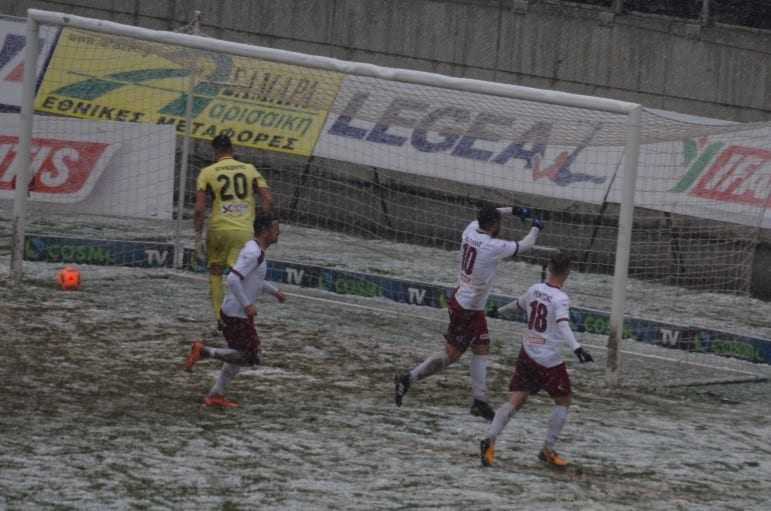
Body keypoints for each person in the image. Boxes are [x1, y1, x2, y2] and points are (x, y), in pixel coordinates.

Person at [395, 205, 543, 421]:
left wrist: (514, 210)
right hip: (466, 308)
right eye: (499, 223)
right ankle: (407, 378)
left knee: (482, 348)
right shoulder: (493, 246)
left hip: (468, 304)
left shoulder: (471, 230)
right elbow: (526, 244)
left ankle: (479, 401)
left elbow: (491, 213)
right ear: (493, 225)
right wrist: (536, 227)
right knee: (451, 355)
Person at [479, 251, 593, 468]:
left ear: (549, 268)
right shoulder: (560, 298)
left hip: (527, 353)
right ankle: (547, 450)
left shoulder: (535, 289)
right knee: (564, 400)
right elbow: (563, 324)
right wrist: (577, 348)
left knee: (516, 399)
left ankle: (490, 439)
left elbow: (517, 305)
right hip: (548, 359)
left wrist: (497, 312)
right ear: (568, 272)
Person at [185, 214, 286, 408]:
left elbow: (254, 280)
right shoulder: (253, 253)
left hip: (234, 313)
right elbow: (232, 279)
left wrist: (275, 292)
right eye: (275, 229)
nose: (278, 232)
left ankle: (216, 395)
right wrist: (247, 304)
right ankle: (204, 351)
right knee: (250, 356)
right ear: (265, 231)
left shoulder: (254, 249)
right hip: (237, 315)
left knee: (237, 356)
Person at [194, 134, 273, 328]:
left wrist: (198, 235)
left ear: (215, 152)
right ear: (232, 149)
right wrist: (264, 221)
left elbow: (199, 209)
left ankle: (220, 318)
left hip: (218, 229)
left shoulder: (207, 172)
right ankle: (239, 315)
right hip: (245, 230)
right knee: (240, 275)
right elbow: (268, 200)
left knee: (215, 272)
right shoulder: (250, 169)